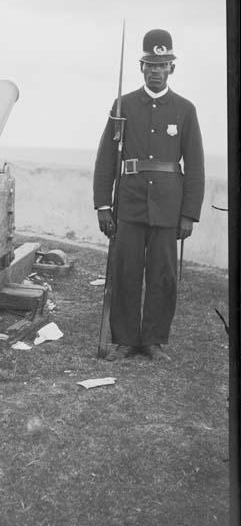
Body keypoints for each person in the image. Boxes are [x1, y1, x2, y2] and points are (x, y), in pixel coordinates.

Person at [93, 29, 205, 361]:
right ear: (142, 67)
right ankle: (126, 340)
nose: (156, 71)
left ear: (172, 68)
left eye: (163, 64)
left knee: (163, 273)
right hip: (128, 204)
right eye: (150, 65)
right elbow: (105, 160)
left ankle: (153, 340)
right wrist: (103, 205)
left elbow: (195, 165)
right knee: (125, 270)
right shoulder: (122, 105)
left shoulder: (185, 109)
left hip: (168, 209)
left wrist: (188, 213)